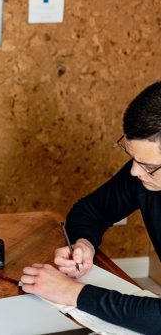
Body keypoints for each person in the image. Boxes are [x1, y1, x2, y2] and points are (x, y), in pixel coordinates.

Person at [21, 81, 161, 334]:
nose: (134, 171)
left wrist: (72, 292)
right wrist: (85, 243)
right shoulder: (143, 176)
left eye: (148, 166)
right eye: (132, 158)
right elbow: (90, 210)